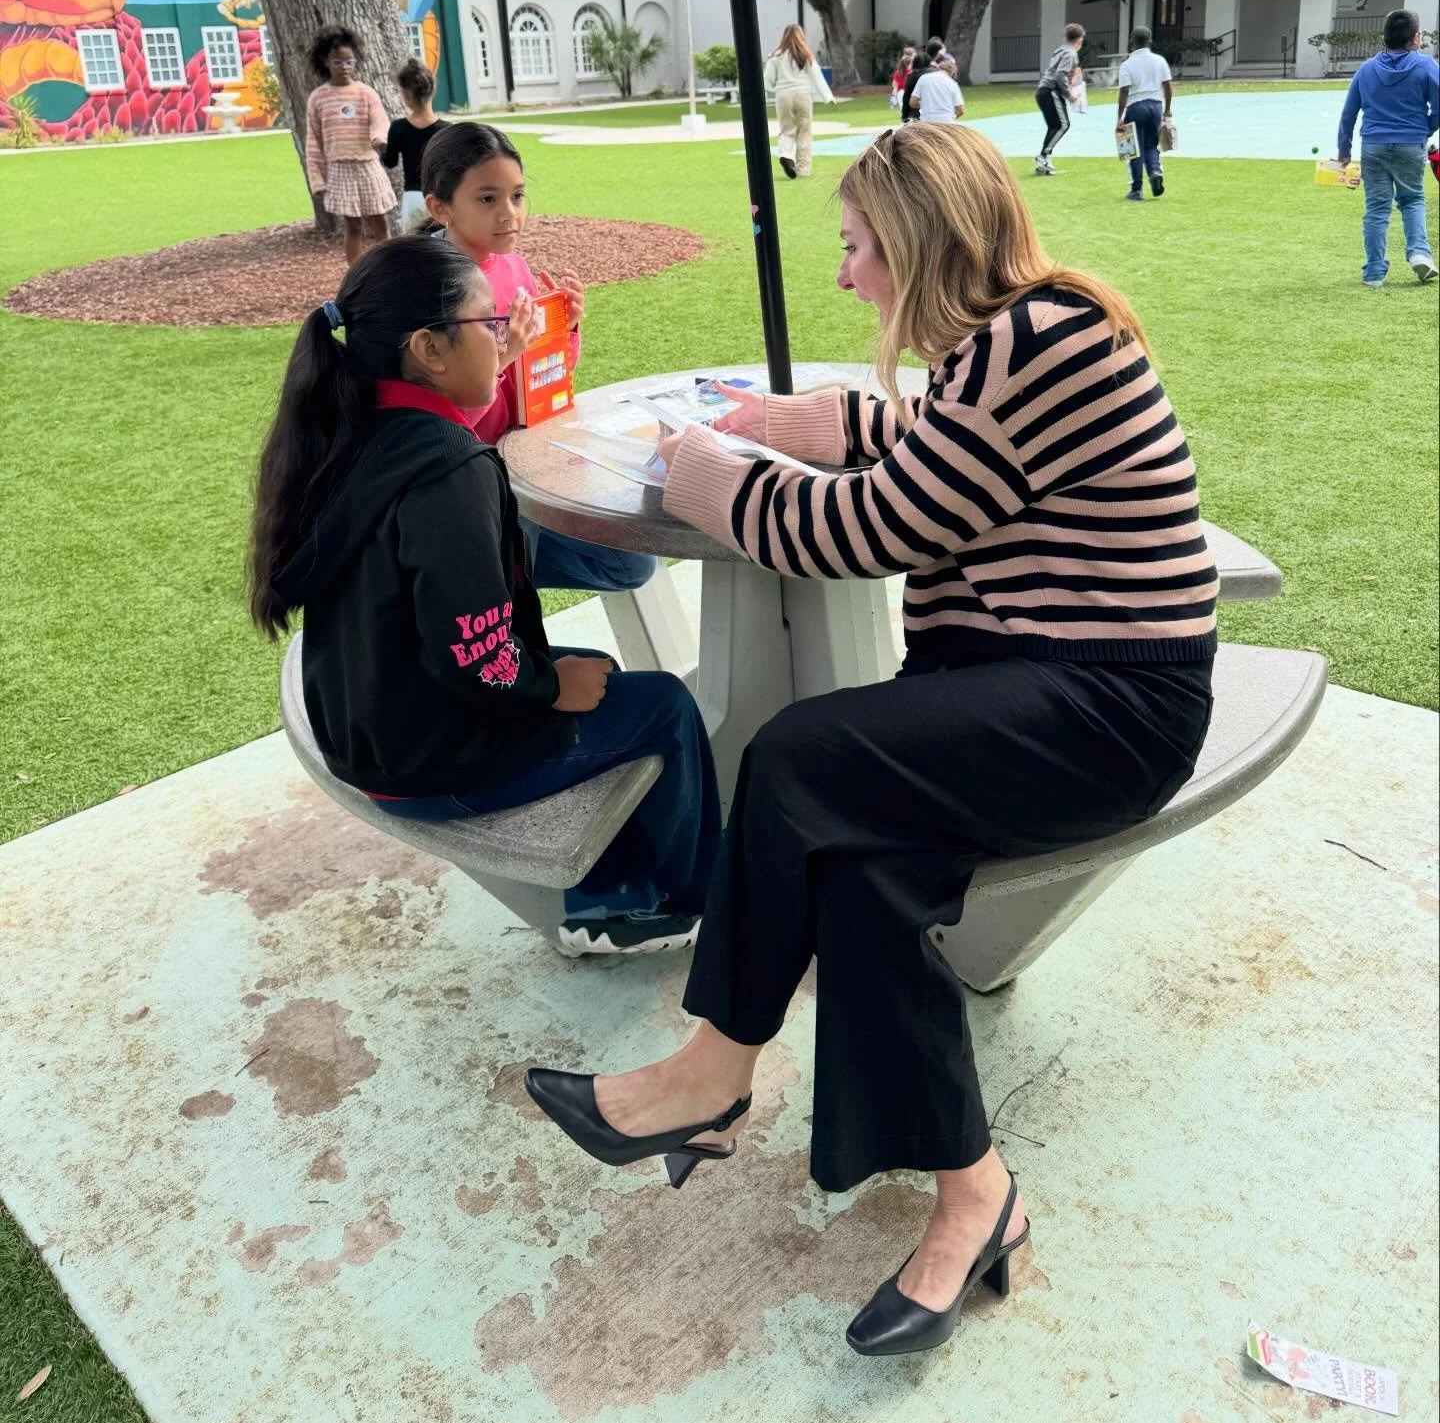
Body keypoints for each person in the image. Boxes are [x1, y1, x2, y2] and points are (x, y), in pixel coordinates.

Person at [525, 121, 1218, 1354]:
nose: (846, 276)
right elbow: (923, 445)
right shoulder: (1006, 345)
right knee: (856, 867)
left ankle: (711, 1072)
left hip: (1106, 708)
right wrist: (778, 422)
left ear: (915, 240)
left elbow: (862, 531)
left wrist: (697, 465)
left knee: (798, 757)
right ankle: (977, 1196)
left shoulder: (1035, 342)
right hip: (1040, 685)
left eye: (856, 246)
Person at [248, 233, 719, 957]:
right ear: (428, 349)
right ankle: (666, 905)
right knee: (664, 706)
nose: (504, 341)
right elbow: (476, 656)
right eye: (490, 324)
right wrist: (547, 687)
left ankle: (611, 879)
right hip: (422, 760)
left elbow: (455, 635)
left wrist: (551, 679)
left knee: (600, 673)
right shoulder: (447, 472)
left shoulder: (358, 429)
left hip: (365, 723)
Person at [421, 121, 660, 596]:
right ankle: (497, 579)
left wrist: (563, 330)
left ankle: (510, 571)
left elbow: (543, 378)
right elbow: (438, 424)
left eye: (517, 196)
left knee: (630, 564)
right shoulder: (430, 284)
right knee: (504, 591)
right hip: (475, 475)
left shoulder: (514, 266)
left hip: (529, 456)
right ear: (440, 207)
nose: (509, 214)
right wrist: (503, 356)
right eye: (487, 199)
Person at [1336, 9, 1439, 287]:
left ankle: (1374, 272)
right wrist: (1427, 128)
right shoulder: (1426, 66)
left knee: (1377, 209)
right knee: (1412, 200)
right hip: (1411, 144)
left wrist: (1344, 151)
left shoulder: (1366, 69)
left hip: (1373, 145)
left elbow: (1348, 114)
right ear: (1416, 37)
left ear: (1385, 37)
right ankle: (1419, 253)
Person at [304, 26, 395, 264]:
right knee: (352, 226)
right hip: (339, 168)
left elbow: (379, 120)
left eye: (349, 62)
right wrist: (317, 180)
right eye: (338, 62)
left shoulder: (366, 93)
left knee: (380, 220)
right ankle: (355, 273)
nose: (344, 67)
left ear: (356, 61)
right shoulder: (318, 98)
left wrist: (378, 137)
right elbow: (313, 141)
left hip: (367, 164)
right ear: (326, 62)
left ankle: (390, 268)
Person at [383, 58, 447, 229]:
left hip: (413, 196)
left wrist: (380, 148)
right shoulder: (446, 129)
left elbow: (390, 161)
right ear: (432, 89)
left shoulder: (398, 128)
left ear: (406, 94)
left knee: (413, 241)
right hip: (441, 195)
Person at [764, 25, 834, 179]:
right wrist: (828, 96)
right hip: (803, 94)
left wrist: (774, 88)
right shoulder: (805, 55)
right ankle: (803, 168)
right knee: (804, 131)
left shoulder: (775, 56)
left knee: (786, 129)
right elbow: (817, 76)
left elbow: (768, 80)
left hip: (783, 95)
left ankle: (786, 155)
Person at [1115, 27, 1173, 201]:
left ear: (1131, 42)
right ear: (1150, 41)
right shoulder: (1159, 61)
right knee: (1151, 145)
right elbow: (1167, 87)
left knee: (1133, 150)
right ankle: (1154, 171)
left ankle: (1136, 189)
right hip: (1155, 105)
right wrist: (1167, 109)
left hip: (1135, 106)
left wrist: (1119, 117)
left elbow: (1124, 91)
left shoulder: (1127, 65)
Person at [1033, 22, 1085, 175]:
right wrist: (1069, 94)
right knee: (1062, 124)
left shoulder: (1060, 51)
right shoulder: (1070, 53)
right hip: (1051, 91)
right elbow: (1060, 75)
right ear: (1079, 40)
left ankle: (1044, 159)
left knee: (1054, 125)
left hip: (1044, 90)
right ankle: (1043, 156)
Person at [910, 53, 964, 123]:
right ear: (952, 73)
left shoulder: (923, 78)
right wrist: (953, 117)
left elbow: (913, 102)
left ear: (938, 68)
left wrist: (927, 104)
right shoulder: (952, 84)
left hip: (927, 122)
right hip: (946, 122)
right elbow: (960, 110)